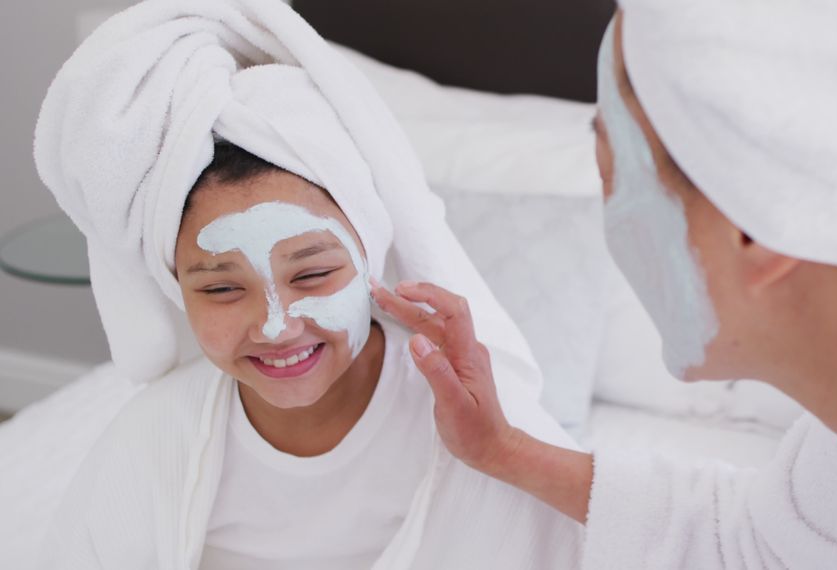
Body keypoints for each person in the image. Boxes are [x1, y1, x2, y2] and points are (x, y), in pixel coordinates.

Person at [373, 2, 837, 568]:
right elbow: (754, 545)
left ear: (755, 227)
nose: (609, 214)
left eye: (612, 167)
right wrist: (506, 450)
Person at [31, 1, 581, 568]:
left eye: (313, 274)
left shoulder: (476, 421)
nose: (276, 324)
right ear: (177, 290)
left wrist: (501, 448)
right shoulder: (158, 437)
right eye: (222, 289)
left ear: (368, 257)